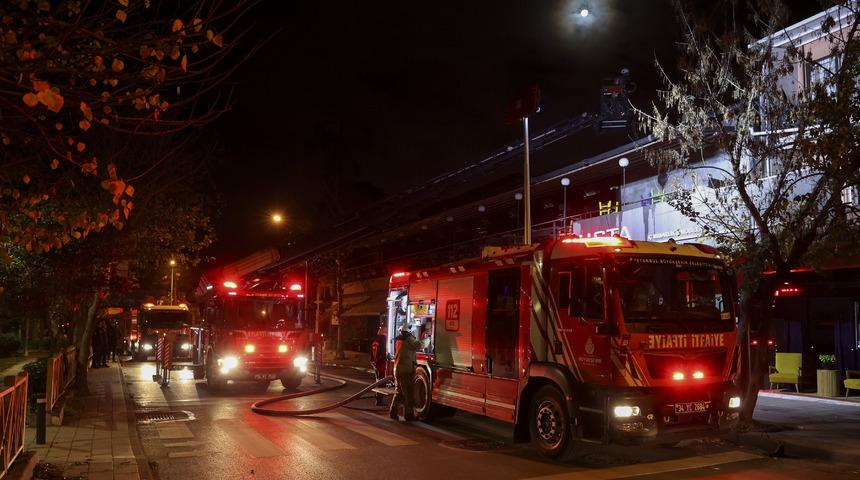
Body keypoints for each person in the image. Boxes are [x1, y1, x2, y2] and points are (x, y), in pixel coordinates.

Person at [389, 323, 421, 421]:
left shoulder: (399, 339)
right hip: (406, 370)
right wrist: (429, 337)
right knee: (408, 393)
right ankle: (409, 415)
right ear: (409, 331)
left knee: (399, 391)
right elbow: (419, 345)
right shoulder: (408, 339)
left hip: (398, 369)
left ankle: (393, 412)